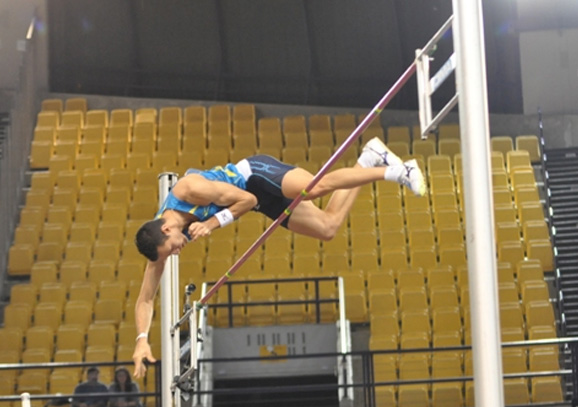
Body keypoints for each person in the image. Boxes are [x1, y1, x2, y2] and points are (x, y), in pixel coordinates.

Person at [131, 138, 426, 378]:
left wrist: (212, 223)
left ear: (166, 229)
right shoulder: (158, 242)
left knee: (314, 188)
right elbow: (145, 298)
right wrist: (141, 339)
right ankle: (370, 157)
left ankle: (400, 172)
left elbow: (247, 199)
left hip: (255, 175)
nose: (175, 252)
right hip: (256, 202)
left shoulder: (188, 189)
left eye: (171, 248)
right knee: (327, 227)